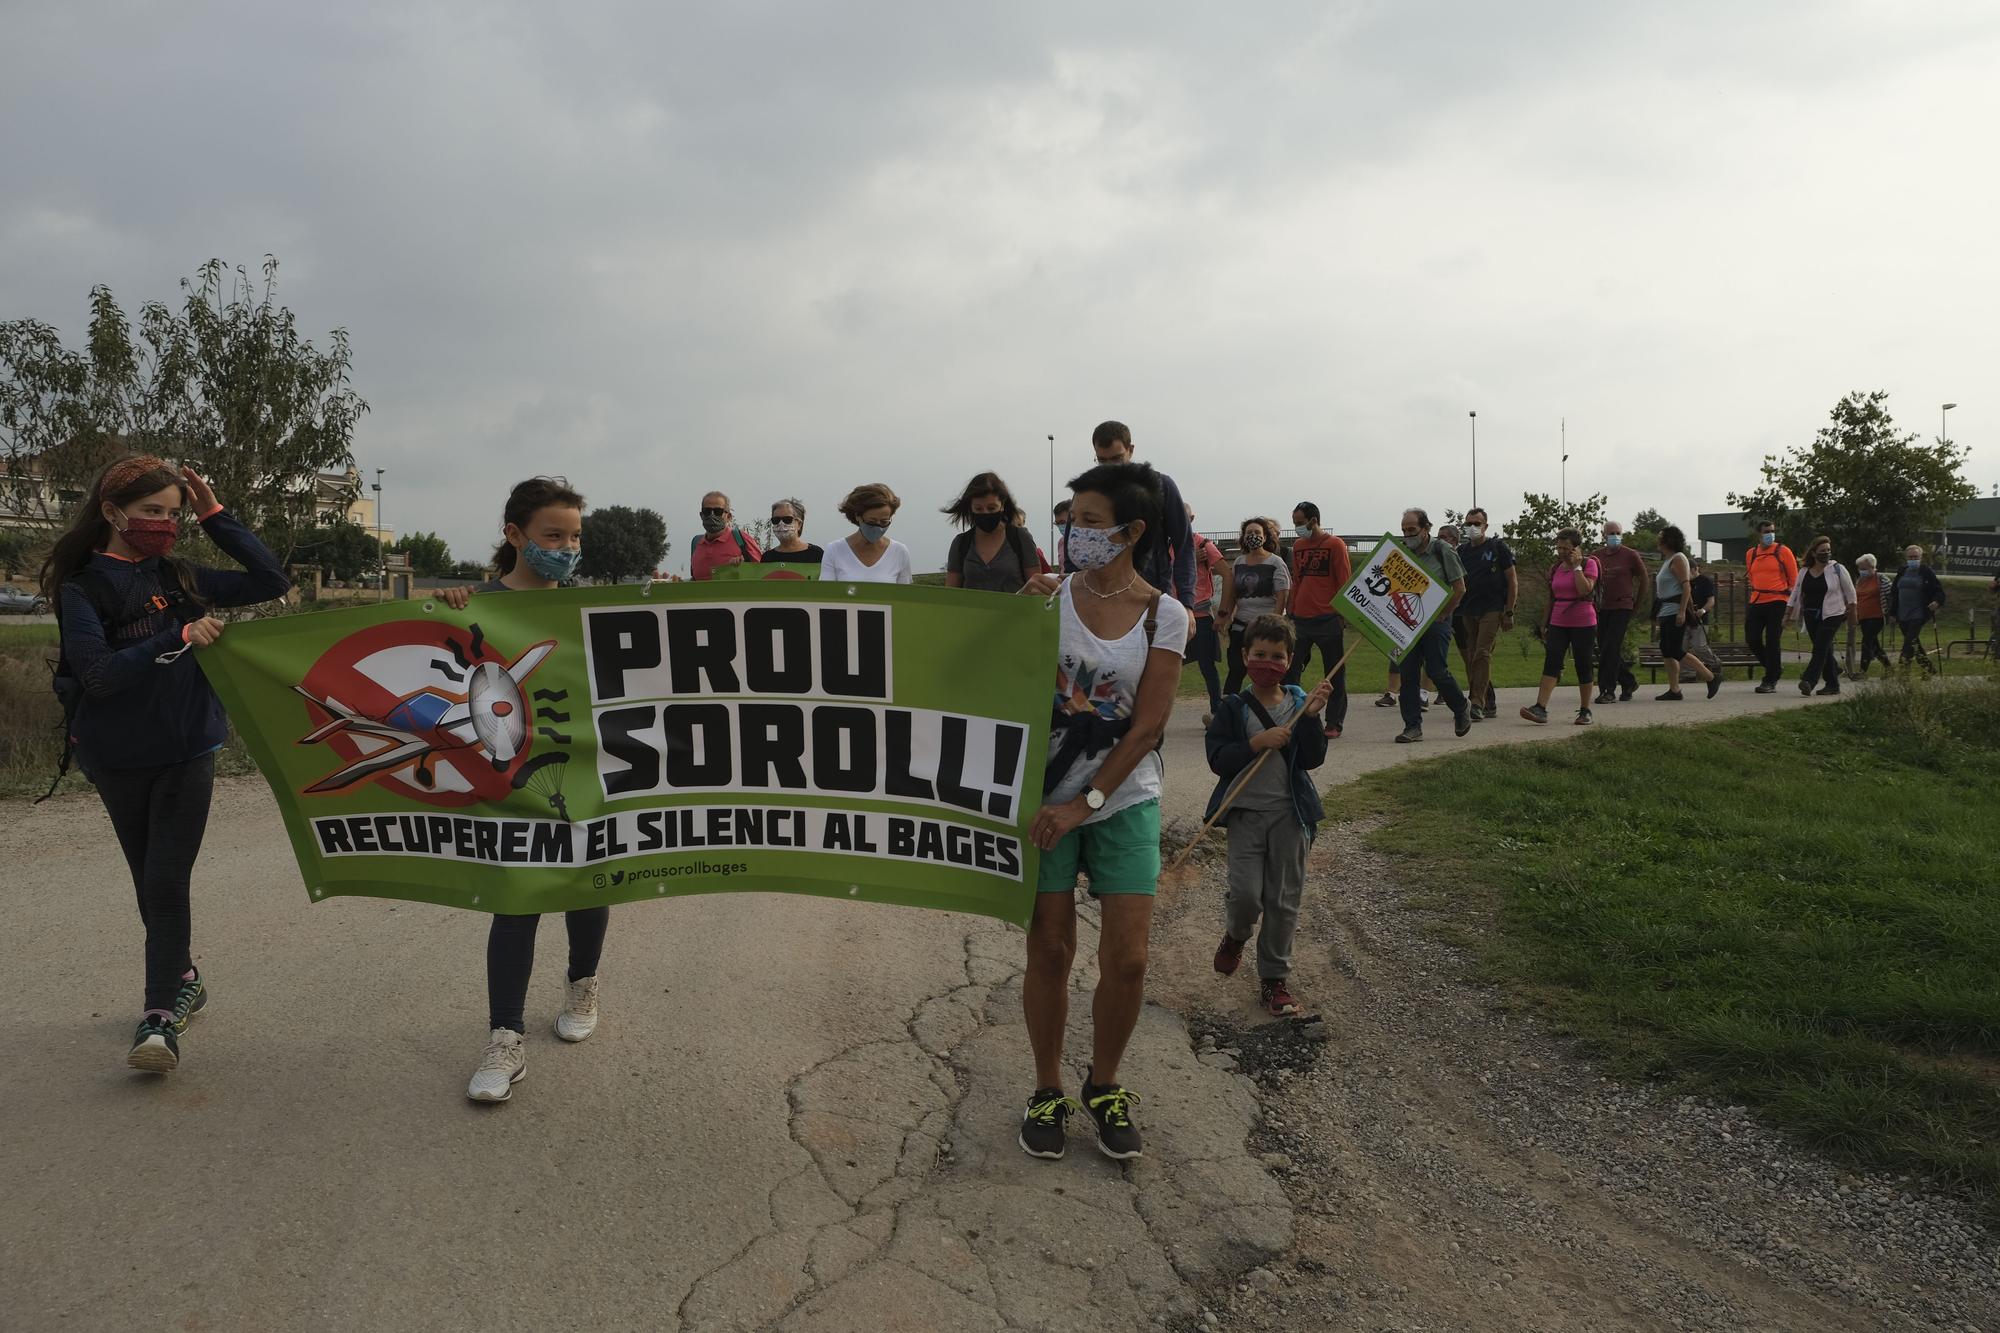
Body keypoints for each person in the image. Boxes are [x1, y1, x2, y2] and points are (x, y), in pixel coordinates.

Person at [42, 456, 291, 1072]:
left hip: (188, 750)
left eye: (174, 514)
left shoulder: (182, 576)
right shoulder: (82, 588)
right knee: (147, 880)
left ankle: (158, 1018)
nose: (165, 524)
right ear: (111, 512)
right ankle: (184, 978)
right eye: (153, 511)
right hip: (116, 757)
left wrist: (216, 513)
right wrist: (175, 638)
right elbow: (98, 677)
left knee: (163, 880)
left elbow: (271, 579)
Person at [1018, 461, 1189, 1162]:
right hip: (1041, 803)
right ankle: (1047, 1087)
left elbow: (1147, 726)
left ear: (1131, 530)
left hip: (1118, 803)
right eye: (1071, 520)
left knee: (1129, 959)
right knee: (1050, 949)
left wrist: (1083, 804)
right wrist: (1014, 618)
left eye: (1089, 522)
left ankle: (1106, 1083)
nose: (1074, 533)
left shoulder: (1165, 614)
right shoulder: (1046, 599)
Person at [434, 479, 610, 1103]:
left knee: (589, 884)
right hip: (508, 781)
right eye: (552, 536)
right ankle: (504, 1039)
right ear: (514, 536)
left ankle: (582, 981)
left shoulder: (591, 610)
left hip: (587, 774)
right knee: (516, 899)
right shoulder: (473, 602)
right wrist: (450, 606)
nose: (566, 548)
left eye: (575, 537)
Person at [1205, 615, 1334, 1017]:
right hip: (1245, 814)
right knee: (1245, 894)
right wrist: (1256, 742)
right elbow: (1217, 759)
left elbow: (1312, 759)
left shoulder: (1299, 705)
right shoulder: (1231, 707)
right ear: (1244, 657)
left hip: (1290, 816)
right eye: (1259, 654)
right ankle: (1236, 934)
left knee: (1284, 899)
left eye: (1277, 656)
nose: (1267, 662)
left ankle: (1274, 980)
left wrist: (1311, 718)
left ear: (1290, 659)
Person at [1062, 422, 1195, 610]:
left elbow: (1184, 546)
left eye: (1116, 459)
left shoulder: (1160, 487)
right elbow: (1073, 544)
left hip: (1150, 598)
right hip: (1095, 599)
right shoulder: (1088, 492)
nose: (1110, 469)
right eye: (1102, 461)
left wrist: (1187, 604)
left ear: (1130, 450)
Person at [1392, 509, 1472, 743]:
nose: (1407, 535)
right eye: (1404, 531)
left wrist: (1445, 613)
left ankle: (1460, 707)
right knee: (1408, 674)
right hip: (1408, 622)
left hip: (1437, 621)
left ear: (1425, 528)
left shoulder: (1442, 550)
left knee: (1437, 671)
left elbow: (1460, 588)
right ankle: (1412, 726)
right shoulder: (1402, 553)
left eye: (1412, 530)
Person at [1521, 528, 1599, 725]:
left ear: (1576, 548)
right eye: (1559, 547)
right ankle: (1540, 708)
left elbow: (1584, 590)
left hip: (1583, 620)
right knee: (1552, 661)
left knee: (1583, 663)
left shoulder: (1589, 564)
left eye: (1566, 548)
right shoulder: (1555, 568)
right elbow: (1552, 596)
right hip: (1558, 620)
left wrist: (1576, 567)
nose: (1561, 551)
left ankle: (1585, 710)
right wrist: (1544, 622)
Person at [1285, 502, 1351, 733]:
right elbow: (1297, 580)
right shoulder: (1299, 545)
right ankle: (1290, 716)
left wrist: (1343, 615)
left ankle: (1334, 722)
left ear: (1313, 521)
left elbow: (1344, 580)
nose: (1297, 527)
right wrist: (1291, 611)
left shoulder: (1335, 544)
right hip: (1300, 619)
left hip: (1328, 618)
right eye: (1294, 523)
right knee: (1290, 670)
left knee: (1334, 673)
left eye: (1300, 523)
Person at [1216, 517, 1290, 696]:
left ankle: (1281, 705)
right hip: (1241, 625)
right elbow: (1234, 593)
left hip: (1267, 625)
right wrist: (1226, 616)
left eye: (1257, 533)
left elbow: (1283, 594)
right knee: (1236, 668)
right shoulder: (1239, 562)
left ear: (1265, 537)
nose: (1253, 536)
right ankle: (1227, 708)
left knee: (1270, 669)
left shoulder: (1275, 562)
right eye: (1249, 533)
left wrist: (1276, 620)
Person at [1455, 507, 1517, 719]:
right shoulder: (1461, 552)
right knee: (1472, 656)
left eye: (1477, 523)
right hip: (1467, 609)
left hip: (1492, 608)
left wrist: (1509, 611)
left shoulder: (1498, 547)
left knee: (1482, 653)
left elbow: (1512, 580)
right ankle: (1488, 700)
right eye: (1469, 523)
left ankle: (1476, 703)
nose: (1472, 527)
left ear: (1485, 525)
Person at [944, 472, 1046, 592]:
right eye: (978, 509)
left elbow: (1036, 589)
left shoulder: (1020, 538)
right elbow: (950, 593)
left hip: (1016, 610)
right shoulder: (961, 544)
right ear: (971, 508)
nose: (985, 513)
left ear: (1002, 505)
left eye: (991, 508)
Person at [1652, 525, 1720, 701]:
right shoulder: (1668, 560)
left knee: (1674, 649)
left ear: (1668, 540)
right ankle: (1674, 690)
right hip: (1666, 610)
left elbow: (1686, 585)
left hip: (1675, 610)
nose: (1657, 539)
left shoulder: (1678, 559)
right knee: (1666, 650)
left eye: (1660, 535)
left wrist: (1682, 611)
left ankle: (1711, 676)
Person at [1786, 534, 1856, 696]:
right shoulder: (1804, 571)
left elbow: (1851, 593)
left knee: (1819, 648)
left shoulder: (1837, 569)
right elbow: (1796, 593)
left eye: (1828, 550)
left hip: (1833, 613)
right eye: (1822, 550)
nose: (1826, 553)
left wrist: (1853, 613)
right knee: (1825, 649)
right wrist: (1788, 613)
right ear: (1813, 553)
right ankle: (1833, 684)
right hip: (1811, 615)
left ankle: (1809, 680)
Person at [1591, 520, 1647, 703]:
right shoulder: (1596, 556)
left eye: (1617, 533)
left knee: (1611, 647)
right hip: (1601, 608)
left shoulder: (1630, 555)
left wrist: (1636, 604)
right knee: (1605, 649)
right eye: (1610, 533)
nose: (1614, 536)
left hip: (1622, 607)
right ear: (1603, 535)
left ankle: (1607, 690)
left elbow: (1644, 579)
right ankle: (1628, 681)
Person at [1184, 505, 1229, 725]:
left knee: (1207, 666)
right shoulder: (1165, 545)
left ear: (1192, 518)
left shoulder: (1203, 544)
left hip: (1200, 615)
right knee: (1163, 665)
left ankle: (1218, 712)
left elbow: (1227, 575)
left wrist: (1222, 613)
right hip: (1175, 615)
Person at [1744, 519, 1798, 693]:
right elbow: (1752, 576)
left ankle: (1770, 680)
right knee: (1752, 639)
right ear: (1758, 534)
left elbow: (1794, 579)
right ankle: (1774, 668)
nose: (1770, 534)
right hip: (1757, 600)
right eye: (1766, 531)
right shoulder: (1751, 554)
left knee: (1773, 640)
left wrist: (1792, 605)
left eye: (1772, 531)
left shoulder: (1784, 551)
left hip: (1778, 601)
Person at [821, 483, 914, 584]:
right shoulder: (834, 550)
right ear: (857, 516)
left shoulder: (900, 552)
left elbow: (904, 594)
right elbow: (826, 593)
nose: (878, 527)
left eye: (884, 522)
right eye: (871, 522)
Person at [1892, 544, 1947, 674]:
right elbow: (1894, 592)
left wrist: (1937, 601)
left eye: (1915, 557)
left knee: (1909, 640)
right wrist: (1892, 612)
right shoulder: (1902, 571)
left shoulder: (1926, 572)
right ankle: (1929, 669)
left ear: (1921, 557)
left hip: (1919, 612)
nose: (1913, 559)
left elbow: (1938, 591)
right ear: (1906, 557)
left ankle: (1903, 670)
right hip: (1902, 613)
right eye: (1910, 557)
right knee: (1914, 642)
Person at [689, 490, 762, 580]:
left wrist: (744, 567)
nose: (712, 515)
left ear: (729, 517)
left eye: (718, 511)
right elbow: (695, 579)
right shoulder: (697, 544)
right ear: (701, 515)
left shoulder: (742, 540)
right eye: (707, 511)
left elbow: (762, 574)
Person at [1851, 553, 1892, 675]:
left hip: (1877, 616)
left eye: (1864, 568)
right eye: (1860, 569)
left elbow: (1891, 595)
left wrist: (1891, 612)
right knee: (1874, 645)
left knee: (1867, 642)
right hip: (1864, 617)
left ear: (1872, 567)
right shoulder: (1860, 581)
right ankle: (1889, 669)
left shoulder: (1880, 578)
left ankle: (1862, 671)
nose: (1861, 571)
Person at [1684, 556, 1723, 677]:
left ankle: (1714, 662)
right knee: (1681, 647)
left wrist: (1703, 610)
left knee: (1699, 646)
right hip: (1685, 618)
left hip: (1699, 618)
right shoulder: (1684, 582)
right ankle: (1687, 673)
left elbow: (1711, 601)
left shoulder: (1705, 581)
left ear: (1695, 569)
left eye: (1688, 571)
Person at [761, 497, 824, 566]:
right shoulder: (767, 557)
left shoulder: (816, 554)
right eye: (776, 520)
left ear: (799, 524)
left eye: (787, 519)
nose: (781, 524)